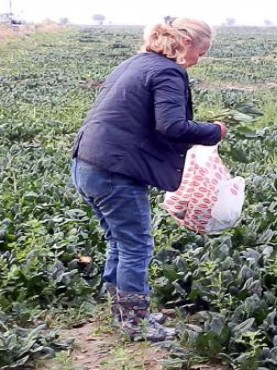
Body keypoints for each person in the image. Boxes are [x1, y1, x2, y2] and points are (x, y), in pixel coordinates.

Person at [70, 17, 227, 342]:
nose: (201, 59)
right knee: (136, 246)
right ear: (186, 44)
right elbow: (171, 126)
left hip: (87, 164)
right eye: (202, 50)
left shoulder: (138, 62)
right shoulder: (168, 70)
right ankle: (135, 323)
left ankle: (123, 313)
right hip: (114, 171)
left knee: (120, 241)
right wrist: (215, 131)